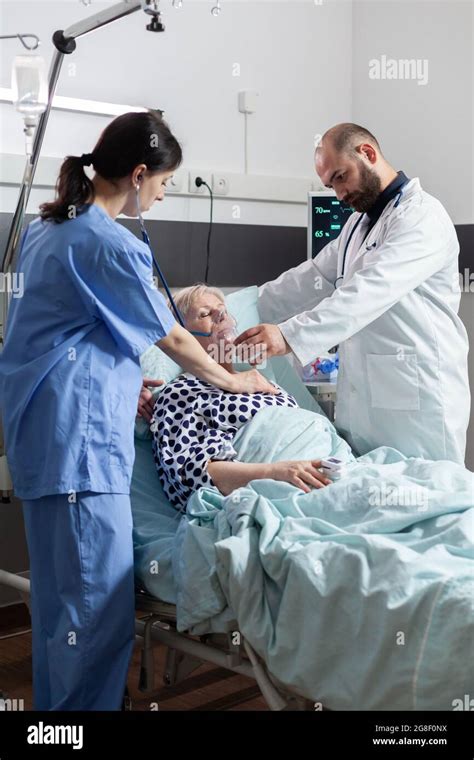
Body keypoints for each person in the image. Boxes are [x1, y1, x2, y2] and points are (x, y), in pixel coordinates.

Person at [0, 111, 275, 711]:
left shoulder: (48, 229)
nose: (162, 193)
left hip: (46, 438)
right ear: (140, 172)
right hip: (82, 450)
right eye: (164, 183)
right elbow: (173, 339)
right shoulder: (106, 241)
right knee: (95, 611)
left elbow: (73, 334)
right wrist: (235, 381)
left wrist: (131, 385)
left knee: (57, 610)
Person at [235, 123, 470, 464]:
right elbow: (311, 278)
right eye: (330, 185)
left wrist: (287, 335)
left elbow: (367, 292)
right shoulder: (358, 225)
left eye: (341, 177)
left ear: (368, 154)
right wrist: (236, 307)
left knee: (425, 499)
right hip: (365, 406)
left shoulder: (422, 217)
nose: (339, 194)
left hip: (418, 405)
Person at [150, 284, 338, 510]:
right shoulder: (180, 392)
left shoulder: (261, 381)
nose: (221, 316)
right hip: (281, 490)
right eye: (205, 314)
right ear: (182, 337)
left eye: (222, 309)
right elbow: (190, 474)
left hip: (327, 472)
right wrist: (276, 473)